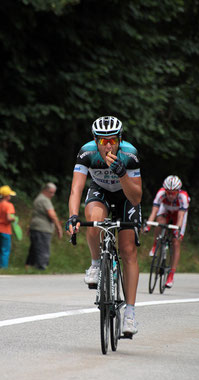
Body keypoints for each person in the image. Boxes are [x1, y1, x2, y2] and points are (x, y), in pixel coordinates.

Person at [66, 116, 142, 335]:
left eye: (112, 140)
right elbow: (76, 188)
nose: (108, 145)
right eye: (102, 141)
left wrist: (121, 174)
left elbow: (136, 198)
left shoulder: (129, 154)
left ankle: (129, 314)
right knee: (94, 222)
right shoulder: (86, 153)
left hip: (126, 196)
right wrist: (72, 216)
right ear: (95, 141)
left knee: (128, 251)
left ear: (119, 139)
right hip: (100, 191)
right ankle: (96, 263)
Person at [144, 175, 190, 288]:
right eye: (168, 192)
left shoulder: (183, 197)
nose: (170, 195)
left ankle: (171, 275)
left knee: (176, 242)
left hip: (179, 214)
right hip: (165, 209)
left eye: (173, 193)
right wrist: (148, 226)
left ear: (178, 191)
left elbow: (180, 218)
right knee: (159, 221)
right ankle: (155, 245)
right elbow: (154, 212)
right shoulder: (161, 194)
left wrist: (177, 231)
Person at [25, 183, 63, 271]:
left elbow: (34, 215)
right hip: (43, 228)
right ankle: (41, 267)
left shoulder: (38, 198)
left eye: (53, 193)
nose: (52, 195)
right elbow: (52, 215)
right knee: (43, 249)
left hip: (35, 227)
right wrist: (59, 228)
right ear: (45, 190)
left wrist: (29, 227)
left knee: (34, 249)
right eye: (51, 192)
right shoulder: (44, 200)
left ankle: (29, 267)